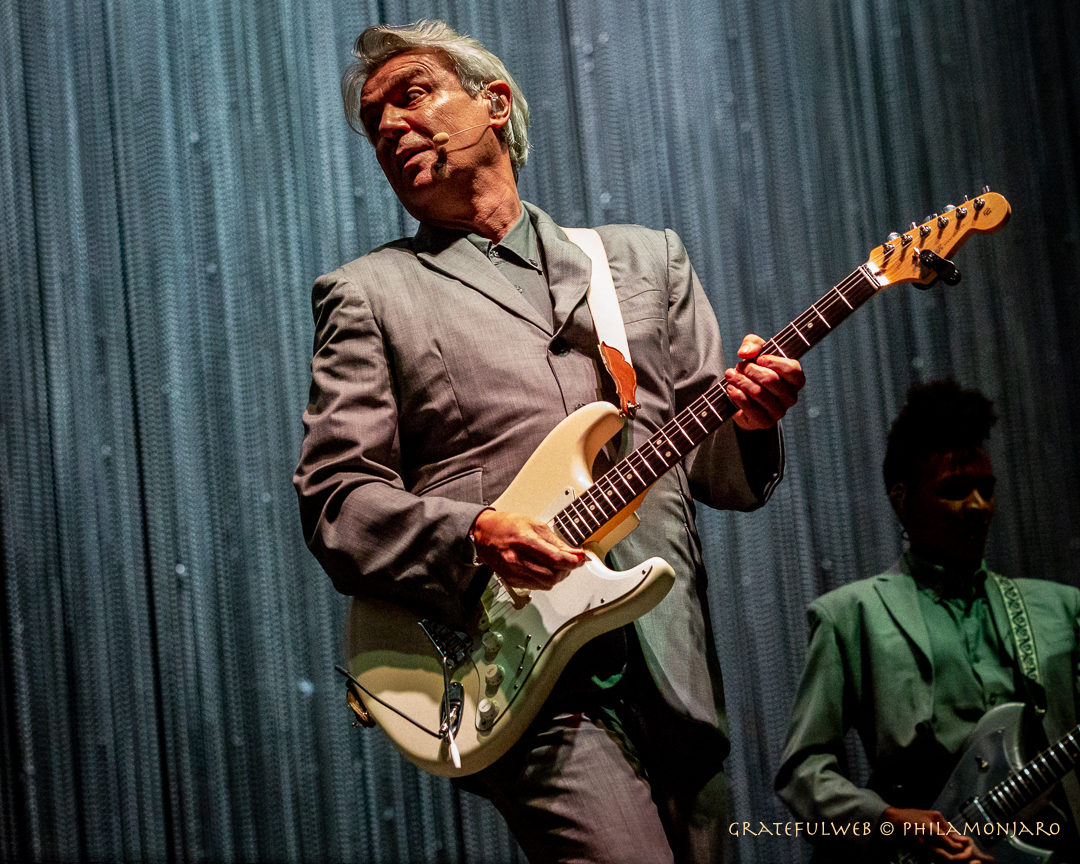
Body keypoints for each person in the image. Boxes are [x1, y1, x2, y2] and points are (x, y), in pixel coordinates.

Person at [294, 20, 805, 863]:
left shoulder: (646, 262)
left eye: (412, 94)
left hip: (669, 658)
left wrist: (751, 420)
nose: (389, 126)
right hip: (518, 671)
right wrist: (476, 536)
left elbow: (717, 475)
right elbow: (338, 498)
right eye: (374, 121)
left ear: (494, 104)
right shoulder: (368, 294)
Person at [775, 381, 1080, 862]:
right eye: (956, 490)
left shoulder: (1065, 610)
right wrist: (886, 820)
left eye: (986, 489)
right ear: (901, 500)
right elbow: (802, 771)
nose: (979, 506)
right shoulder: (850, 616)